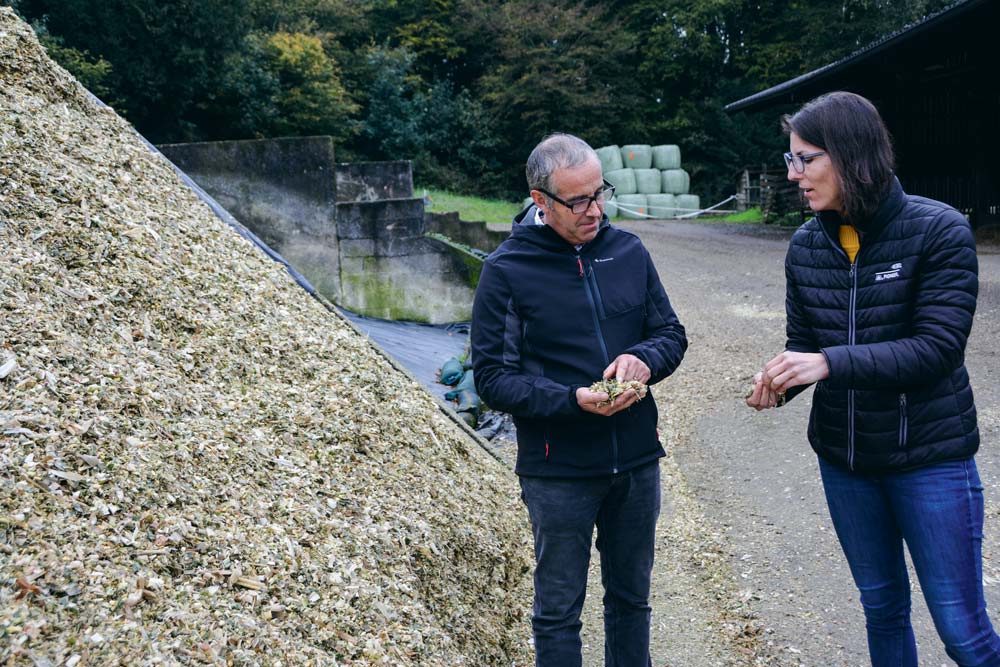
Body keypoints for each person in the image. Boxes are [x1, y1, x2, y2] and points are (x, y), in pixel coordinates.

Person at [747, 91, 1000, 666]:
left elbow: (936, 349)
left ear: (851, 154)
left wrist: (830, 361)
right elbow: (805, 344)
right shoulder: (806, 244)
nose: (794, 175)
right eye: (792, 160)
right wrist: (782, 379)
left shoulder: (938, 230)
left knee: (963, 633)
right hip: (847, 462)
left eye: (806, 159)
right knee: (882, 611)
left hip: (930, 460)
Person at [471, 133, 687, 666]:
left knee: (632, 601)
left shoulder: (628, 250)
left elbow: (671, 334)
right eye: (578, 201)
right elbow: (493, 378)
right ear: (540, 201)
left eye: (600, 193)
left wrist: (645, 359)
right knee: (558, 610)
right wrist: (573, 399)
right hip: (557, 470)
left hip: (636, 461)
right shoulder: (506, 271)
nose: (595, 210)